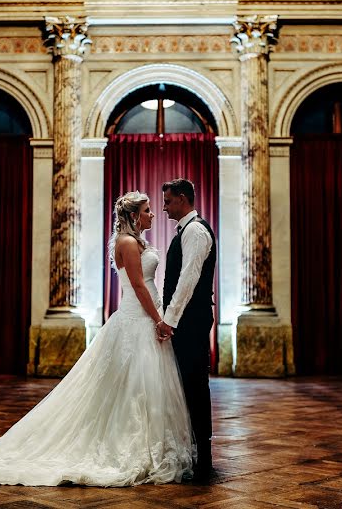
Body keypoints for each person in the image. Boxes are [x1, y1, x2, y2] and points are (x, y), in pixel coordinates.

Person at [0, 191, 195, 486]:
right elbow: (139, 286)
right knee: (132, 386)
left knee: (142, 386)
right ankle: (132, 445)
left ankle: (150, 443)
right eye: (147, 210)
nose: (152, 214)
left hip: (143, 318)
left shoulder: (135, 241)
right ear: (133, 216)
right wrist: (158, 320)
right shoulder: (127, 243)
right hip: (138, 318)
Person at [156, 178, 217, 483]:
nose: (164, 207)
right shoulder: (185, 230)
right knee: (188, 384)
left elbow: (188, 280)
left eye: (167, 201)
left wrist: (170, 318)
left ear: (182, 199)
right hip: (187, 320)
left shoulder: (194, 231)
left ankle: (204, 458)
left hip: (190, 321)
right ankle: (194, 450)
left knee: (195, 384)